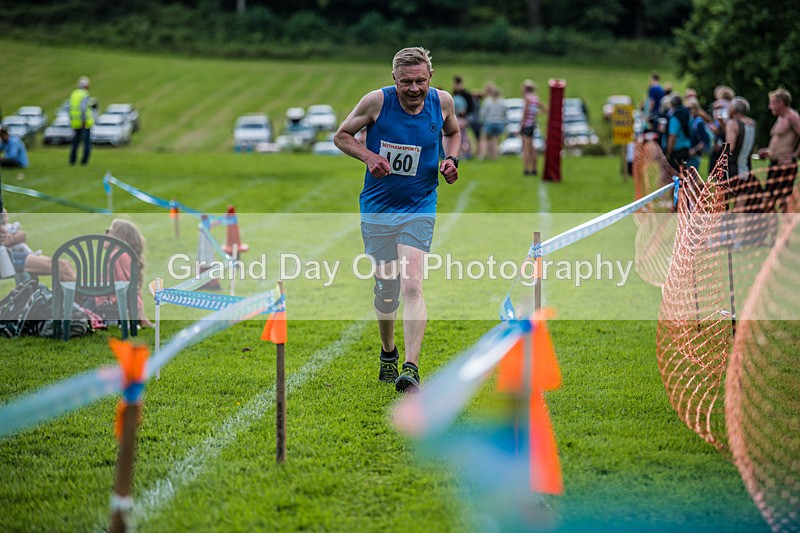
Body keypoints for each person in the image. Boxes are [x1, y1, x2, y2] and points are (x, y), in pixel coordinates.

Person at [333, 47, 460, 393]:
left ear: (430, 76)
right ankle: (388, 352)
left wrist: (451, 160)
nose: (414, 88)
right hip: (377, 207)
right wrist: (368, 156)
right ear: (394, 79)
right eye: (407, 82)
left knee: (413, 285)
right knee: (387, 290)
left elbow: (453, 132)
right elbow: (342, 135)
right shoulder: (376, 102)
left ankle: (411, 368)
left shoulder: (443, 101)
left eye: (420, 80)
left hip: (420, 204)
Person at [94, 219, 153, 328]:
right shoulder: (120, 255)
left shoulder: (118, 256)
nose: (105, 234)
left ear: (119, 237)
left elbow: (129, 289)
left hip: (105, 308)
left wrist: (141, 317)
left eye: (109, 231)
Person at [0, 208, 76, 281]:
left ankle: (83, 293)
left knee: (64, 265)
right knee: (62, 267)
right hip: (5, 257)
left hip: (9, 253)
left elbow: (21, 235)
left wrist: (9, 239)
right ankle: (84, 293)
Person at [757, 88, 800, 212]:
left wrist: (794, 156)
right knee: (768, 201)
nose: (770, 107)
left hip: (785, 166)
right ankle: (773, 230)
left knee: (782, 201)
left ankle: (786, 230)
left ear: (781, 103)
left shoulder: (792, 117)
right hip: (775, 164)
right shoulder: (780, 117)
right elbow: (781, 141)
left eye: (772, 103)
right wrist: (769, 151)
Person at [725, 97, 757, 179]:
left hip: (733, 170)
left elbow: (729, 148)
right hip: (747, 168)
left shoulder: (732, 124)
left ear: (734, 109)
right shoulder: (752, 123)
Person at [521, 80, 547, 176]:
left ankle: (526, 169)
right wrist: (536, 114)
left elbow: (526, 112)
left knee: (526, 149)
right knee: (532, 148)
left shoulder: (527, 99)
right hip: (533, 124)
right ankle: (534, 168)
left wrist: (522, 124)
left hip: (527, 125)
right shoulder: (535, 99)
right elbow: (546, 109)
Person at [69, 76, 94, 166]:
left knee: (75, 142)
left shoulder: (74, 94)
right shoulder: (85, 94)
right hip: (84, 123)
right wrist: (83, 120)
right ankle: (84, 161)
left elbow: (70, 108)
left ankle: (72, 160)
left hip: (75, 123)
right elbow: (83, 108)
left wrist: (72, 119)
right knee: (86, 143)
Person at [478, 82, 506, 160]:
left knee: (484, 139)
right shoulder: (502, 102)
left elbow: (482, 113)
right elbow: (505, 112)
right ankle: (494, 155)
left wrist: (482, 120)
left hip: (489, 122)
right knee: (495, 140)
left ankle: (482, 155)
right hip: (500, 122)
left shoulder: (488, 101)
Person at [665, 95, 692, 171]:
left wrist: (668, 153)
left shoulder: (675, 117)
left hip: (677, 150)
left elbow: (672, 136)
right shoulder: (687, 114)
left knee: (676, 175)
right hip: (687, 148)